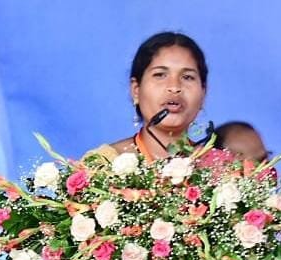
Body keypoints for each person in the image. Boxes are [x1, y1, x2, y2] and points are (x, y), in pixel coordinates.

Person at [89, 32, 207, 162]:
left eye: (187, 77)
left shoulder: (219, 167)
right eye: (160, 75)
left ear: (203, 93)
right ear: (136, 90)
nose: (174, 87)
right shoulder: (102, 164)